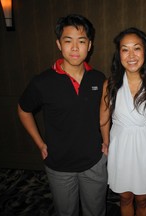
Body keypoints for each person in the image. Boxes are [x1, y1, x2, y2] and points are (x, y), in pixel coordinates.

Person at [17, 14, 107, 216]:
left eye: (81, 41)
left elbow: (104, 115)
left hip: (93, 161)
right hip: (59, 165)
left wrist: (106, 142)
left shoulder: (98, 78)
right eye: (68, 41)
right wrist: (40, 143)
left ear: (89, 45)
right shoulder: (43, 81)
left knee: (96, 211)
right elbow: (23, 109)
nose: (75, 48)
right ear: (59, 44)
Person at [100, 27, 146, 216]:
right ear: (119, 54)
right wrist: (106, 142)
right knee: (125, 197)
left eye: (136, 48)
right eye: (125, 49)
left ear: (145, 51)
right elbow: (103, 120)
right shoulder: (111, 83)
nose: (131, 55)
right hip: (120, 147)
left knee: (143, 199)